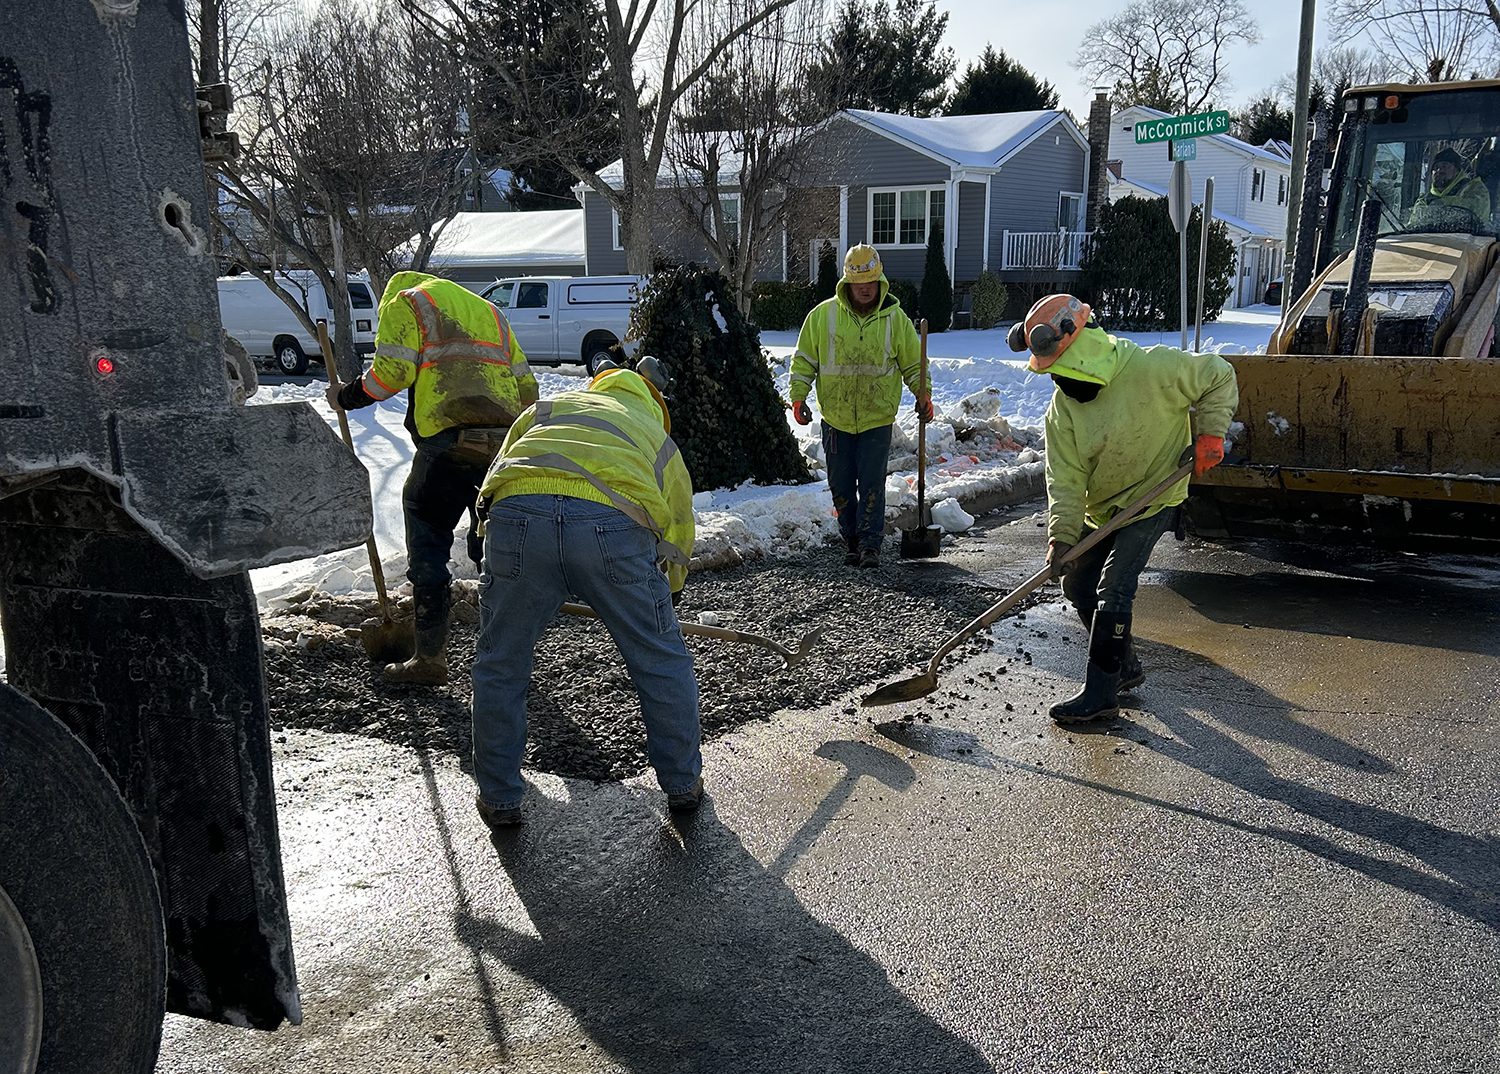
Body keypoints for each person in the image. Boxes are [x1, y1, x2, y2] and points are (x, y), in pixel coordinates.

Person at [468, 358, 702, 828]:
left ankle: (498, 797)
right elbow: (677, 534)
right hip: (610, 529)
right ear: (652, 401)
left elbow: (500, 472)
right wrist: (665, 601)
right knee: (660, 659)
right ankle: (682, 785)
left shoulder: (547, 410)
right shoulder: (654, 435)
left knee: (501, 662)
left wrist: (489, 547)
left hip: (518, 523)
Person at [1008, 294, 1239, 725]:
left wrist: (1210, 434)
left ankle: (1100, 694)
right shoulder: (1062, 412)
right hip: (1102, 508)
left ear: (1086, 352)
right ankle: (1124, 667)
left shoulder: (1154, 369)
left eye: (1066, 370)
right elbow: (1066, 478)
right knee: (1077, 586)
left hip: (1154, 494)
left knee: (1115, 584)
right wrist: (1062, 536)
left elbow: (1218, 375)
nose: (1063, 383)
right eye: (1054, 375)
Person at [328, 271, 538, 686]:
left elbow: (391, 374)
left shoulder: (406, 302)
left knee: (427, 538)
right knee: (495, 547)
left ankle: (429, 658)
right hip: (501, 448)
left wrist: (345, 396)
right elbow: (527, 388)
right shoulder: (490, 312)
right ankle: (508, 656)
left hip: (447, 441)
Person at [789, 244, 930, 568]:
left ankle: (870, 544)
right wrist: (798, 396)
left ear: (880, 282)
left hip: (876, 418)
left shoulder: (895, 319)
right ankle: (850, 539)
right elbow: (804, 360)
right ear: (847, 283)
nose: (865, 289)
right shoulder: (823, 316)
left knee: (871, 483)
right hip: (835, 416)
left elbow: (913, 365)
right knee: (840, 484)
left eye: (870, 283)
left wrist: (924, 395)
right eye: (859, 284)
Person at [1407, 147, 1492, 227]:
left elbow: (1476, 210)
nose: (1439, 171)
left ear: (1457, 170)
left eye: (1444, 166)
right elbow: (1413, 225)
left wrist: (1443, 203)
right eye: (1435, 168)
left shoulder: (1475, 189)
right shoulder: (1424, 200)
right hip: (1426, 241)